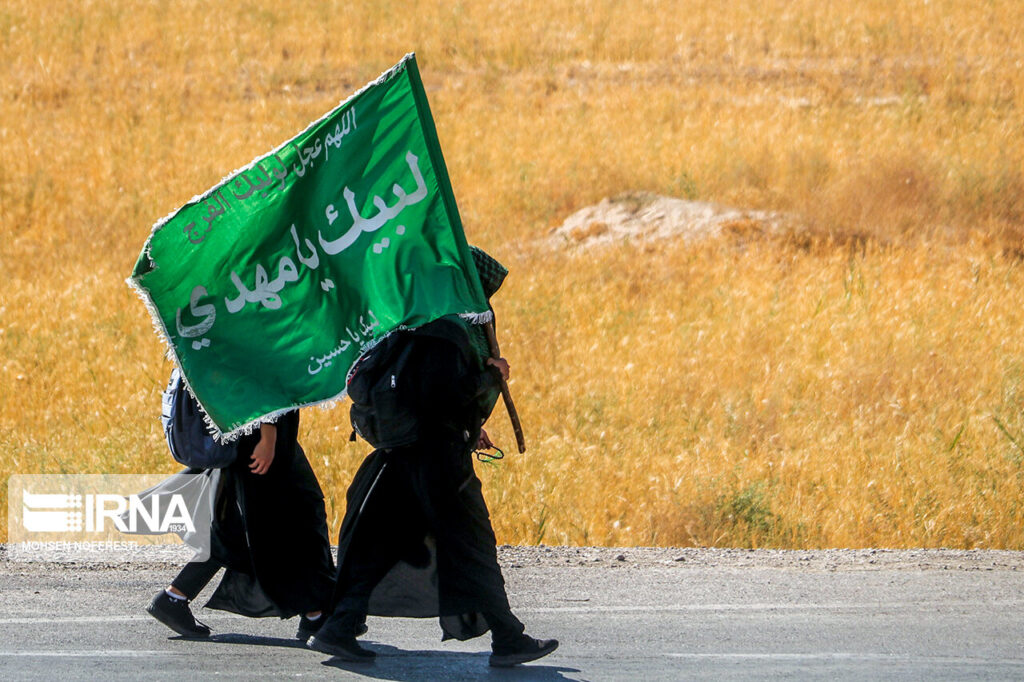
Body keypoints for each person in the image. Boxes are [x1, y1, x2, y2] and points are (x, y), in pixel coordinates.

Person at [309, 247, 558, 668]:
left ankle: (340, 626)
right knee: (473, 546)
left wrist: (470, 427)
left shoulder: (417, 319)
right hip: (439, 462)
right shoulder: (446, 328)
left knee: (379, 544)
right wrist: (492, 375)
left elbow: (423, 395)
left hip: (402, 455)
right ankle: (508, 637)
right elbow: (446, 393)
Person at [145, 410, 336, 641]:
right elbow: (263, 388)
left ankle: (175, 596)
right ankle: (315, 613)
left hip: (253, 431)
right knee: (297, 516)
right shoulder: (265, 435)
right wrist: (268, 436)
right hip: (259, 434)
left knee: (245, 524)